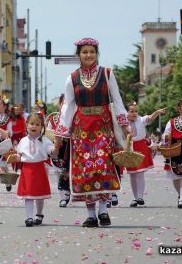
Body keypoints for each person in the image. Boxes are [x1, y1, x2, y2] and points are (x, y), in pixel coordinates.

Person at [54, 38, 128, 228]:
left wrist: (124, 123)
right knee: (86, 170)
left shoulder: (107, 74)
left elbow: (117, 101)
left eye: (92, 52)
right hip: (81, 130)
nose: (89, 55)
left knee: (102, 168)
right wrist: (61, 133)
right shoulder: (72, 77)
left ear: (97, 54)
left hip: (103, 127)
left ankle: (103, 211)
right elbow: (68, 107)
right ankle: (90, 214)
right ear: (78, 54)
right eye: (85, 52)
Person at [8, 112, 58, 227]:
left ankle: (39, 214)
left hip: (39, 169)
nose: (34, 126)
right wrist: (16, 157)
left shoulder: (44, 140)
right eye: (31, 124)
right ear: (27, 125)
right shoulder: (23, 141)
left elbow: (51, 151)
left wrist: (55, 147)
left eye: (37, 124)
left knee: (39, 194)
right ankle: (29, 217)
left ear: (42, 127)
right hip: (27, 170)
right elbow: (20, 155)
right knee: (28, 195)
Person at [125, 101, 165, 207]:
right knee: (133, 174)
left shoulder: (141, 120)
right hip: (130, 148)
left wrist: (157, 112)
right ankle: (135, 198)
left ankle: (140, 197)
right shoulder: (123, 122)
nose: (134, 113)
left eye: (136, 111)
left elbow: (150, 118)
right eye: (132, 111)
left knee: (140, 173)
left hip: (141, 147)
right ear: (126, 112)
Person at [46, 94, 71, 207]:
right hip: (58, 148)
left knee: (69, 172)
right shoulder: (53, 118)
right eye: (63, 103)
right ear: (60, 104)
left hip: (71, 148)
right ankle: (62, 196)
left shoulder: (75, 118)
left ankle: (69, 191)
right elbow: (48, 132)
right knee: (58, 172)